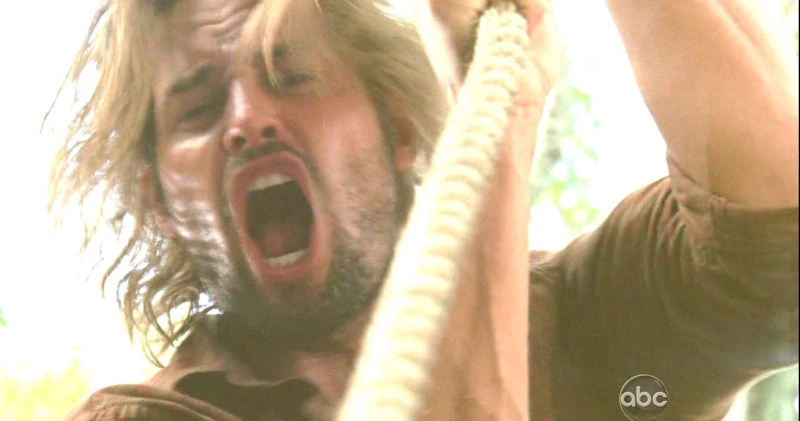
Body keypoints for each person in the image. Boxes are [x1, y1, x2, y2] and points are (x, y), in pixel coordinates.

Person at [55, 0, 797, 420]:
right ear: (159, 203)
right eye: (199, 109)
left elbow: (777, 233)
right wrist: (503, 128)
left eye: (292, 74)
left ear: (401, 131)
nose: (247, 121)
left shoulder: (582, 310)